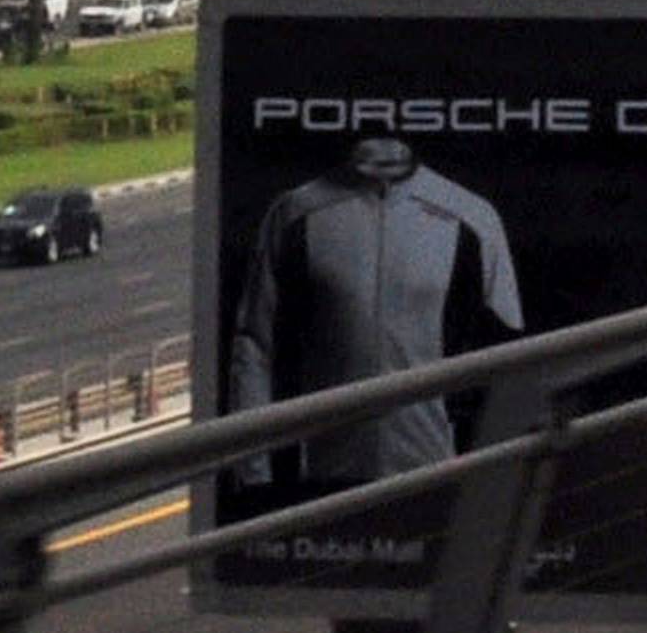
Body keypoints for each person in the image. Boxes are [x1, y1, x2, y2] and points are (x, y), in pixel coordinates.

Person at [219, 124, 529, 541]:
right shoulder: (296, 213)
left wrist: (495, 472)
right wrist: (254, 473)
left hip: (437, 469)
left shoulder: (471, 217)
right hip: (324, 477)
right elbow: (255, 347)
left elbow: (513, 354)